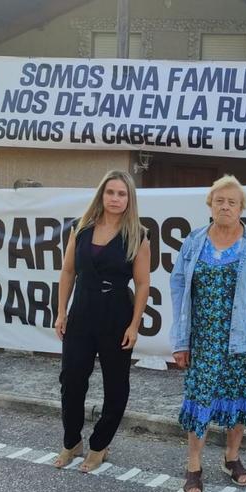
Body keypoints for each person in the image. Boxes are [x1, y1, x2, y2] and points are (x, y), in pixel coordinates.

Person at [169, 175, 246, 492]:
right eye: (219, 200)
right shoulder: (194, 242)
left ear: (241, 208)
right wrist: (180, 340)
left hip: (244, 342)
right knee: (198, 403)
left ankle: (231, 458)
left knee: (238, 403)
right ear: (210, 204)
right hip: (202, 342)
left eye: (232, 202)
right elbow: (178, 289)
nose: (225, 206)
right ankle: (194, 466)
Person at [52, 170, 150, 472]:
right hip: (81, 312)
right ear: (101, 195)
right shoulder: (80, 229)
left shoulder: (138, 235)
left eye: (122, 194)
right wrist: (61, 311)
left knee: (116, 385)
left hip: (116, 315)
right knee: (71, 380)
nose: (116, 198)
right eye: (111, 192)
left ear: (129, 199)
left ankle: (100, 444)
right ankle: (72, 442)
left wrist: (134, 325)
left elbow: (143, 284)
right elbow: (68, 272)